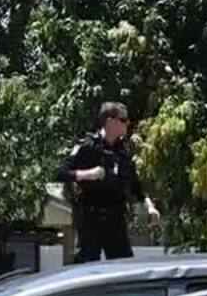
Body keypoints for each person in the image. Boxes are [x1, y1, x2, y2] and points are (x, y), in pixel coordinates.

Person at [55, 101, 160, 263]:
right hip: (91, 217)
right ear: (110, 122)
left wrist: (150, 207)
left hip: (115, 218)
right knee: (88, 266)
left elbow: (136, 186)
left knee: (124, 265)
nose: (128, 124)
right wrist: (88, 174)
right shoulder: (87, 146)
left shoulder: (122, 153)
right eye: (123, 120)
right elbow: (60, 172)